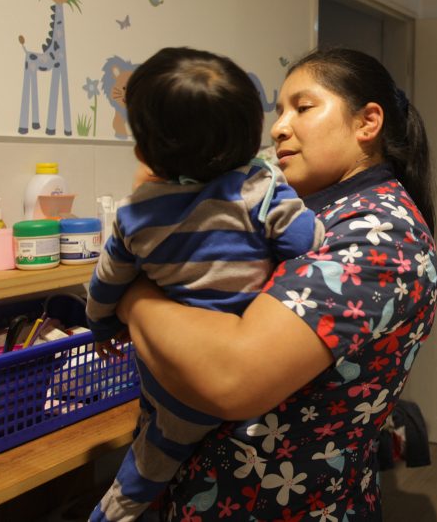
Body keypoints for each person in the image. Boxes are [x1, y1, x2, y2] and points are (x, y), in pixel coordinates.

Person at [111, 47, 437, 521]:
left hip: (283, 505)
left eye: (303, 108)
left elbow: (232, 378)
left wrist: (132, 297)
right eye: (278, 110)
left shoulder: (382, 236)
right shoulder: (310, 206)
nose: (279, 127)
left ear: (368, 123)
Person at [86, 47, 325, 522]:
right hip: (227, 369)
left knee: (146, 466)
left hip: (167, 374)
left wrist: (101, 328)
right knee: (156, 460)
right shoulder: (258, 188)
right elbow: (308, 238)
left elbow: (105, 285)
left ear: (143, 150)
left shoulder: (134, 215)